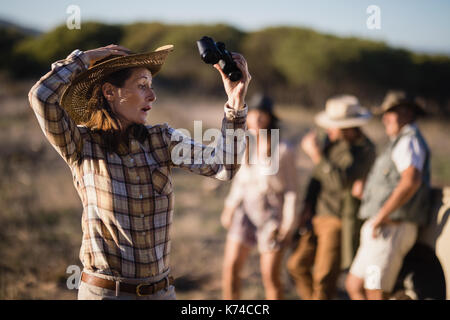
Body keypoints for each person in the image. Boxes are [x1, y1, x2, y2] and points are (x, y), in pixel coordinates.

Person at [28, 44, 251, 300]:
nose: (152, 96)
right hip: (106, 294)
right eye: (142, 85)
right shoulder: (82, 145)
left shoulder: (162, 141)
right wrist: (86, 58)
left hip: (161, 293)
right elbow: (41, 96)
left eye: (151, 86)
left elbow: (223, 166)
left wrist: (235, 103)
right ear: (110, 91)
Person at [287, 95, 376, 300]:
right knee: (296, 265)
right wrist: (307, 206)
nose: (329, 130)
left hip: (338, 218)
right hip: (317, 214)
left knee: (324, 277)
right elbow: (317, 178)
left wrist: (316, 155)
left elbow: (339, 182)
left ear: (348, 128)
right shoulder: (332, 142)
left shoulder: (365, 151)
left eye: (333, 126)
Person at [345, 90, 431, 300]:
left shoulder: (409, 141)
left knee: (374, 290)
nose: (385, 118)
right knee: (354, 285)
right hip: (381, 229)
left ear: (408, 114)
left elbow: (411, 179)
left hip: (390, 230)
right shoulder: (401, 141)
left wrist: (382, 215)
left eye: (392, 112)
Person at [220, 94, 298, 300]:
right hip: (245, 209)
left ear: (270, 118)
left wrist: (288, 225)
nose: (256, 119)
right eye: (253, 114)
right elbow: (240, 180)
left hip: (272, 214)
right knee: (230, 269)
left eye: (262, 114)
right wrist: (229, 207)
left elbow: (291, 191)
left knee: (270, 276)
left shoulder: (283, 150)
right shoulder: (244, 145)